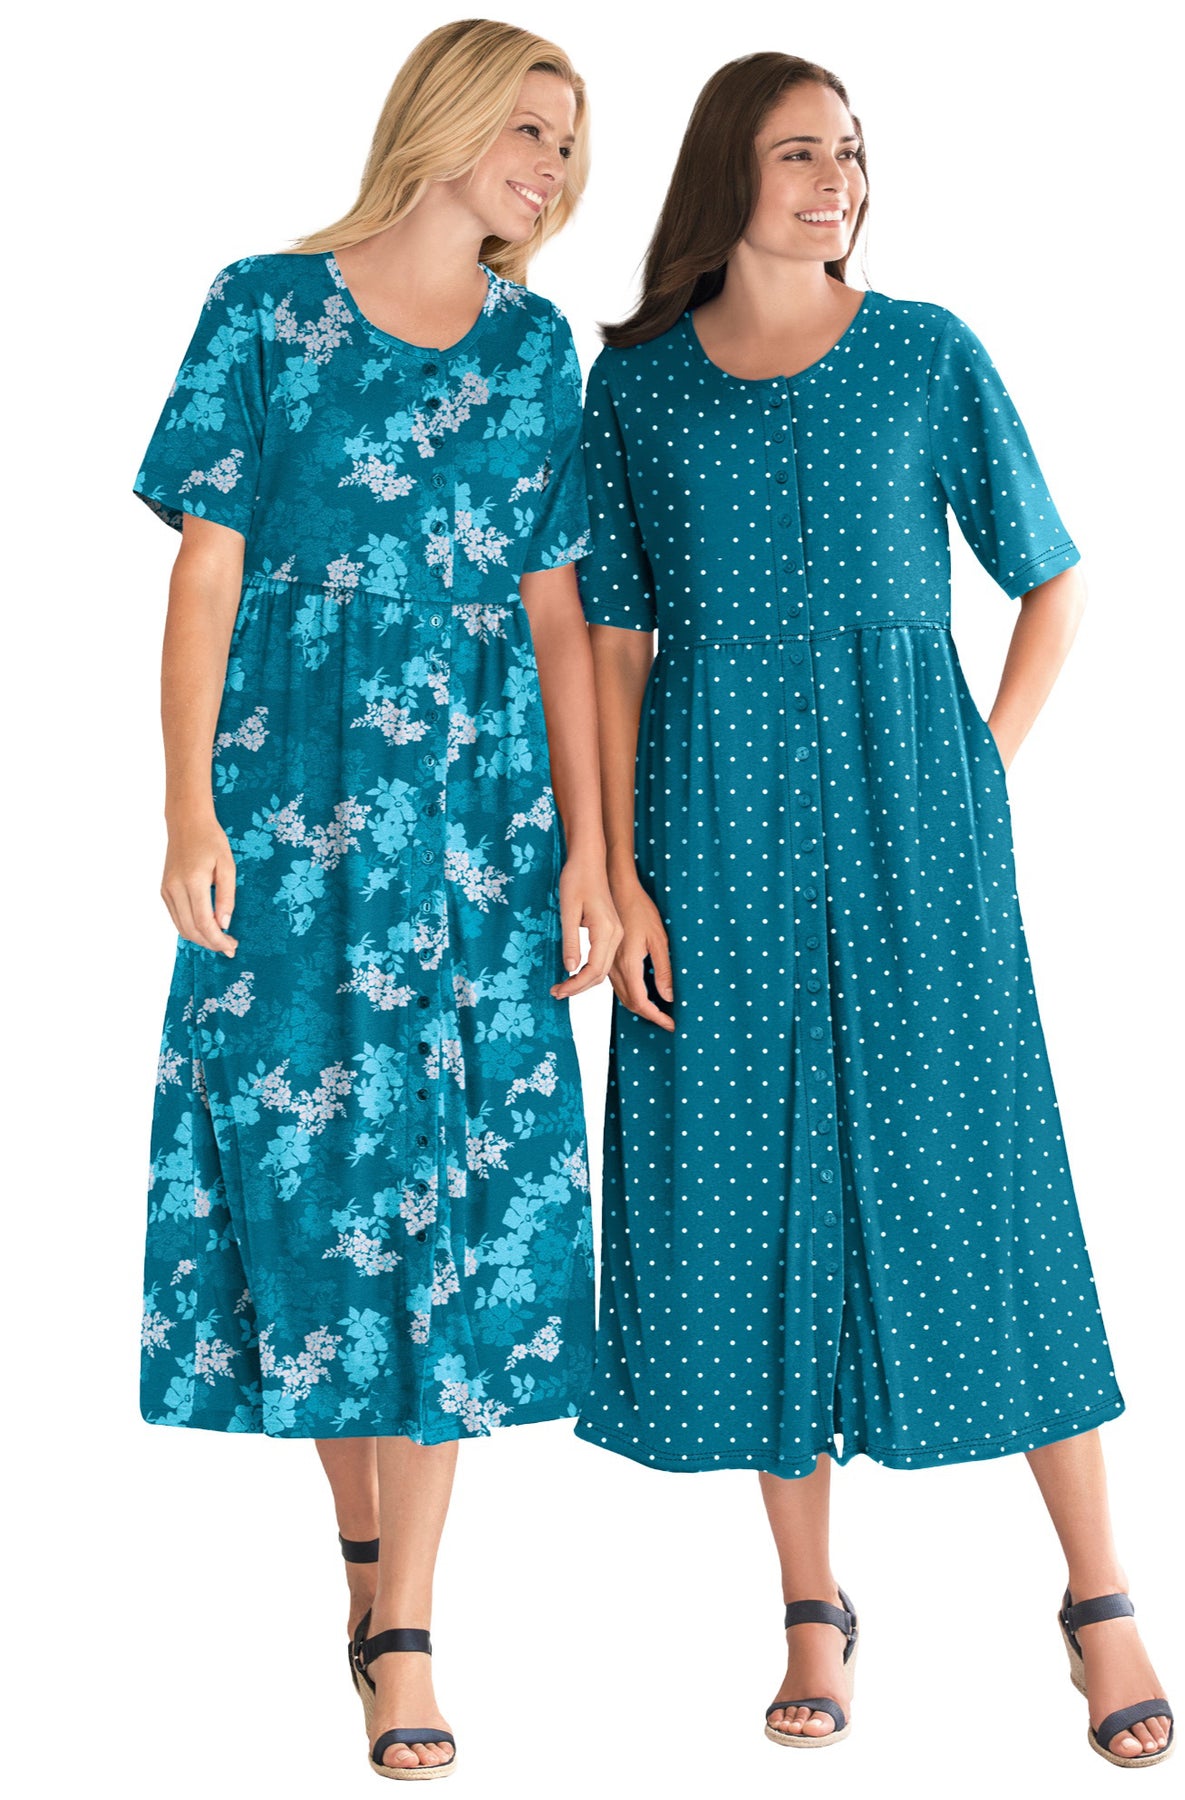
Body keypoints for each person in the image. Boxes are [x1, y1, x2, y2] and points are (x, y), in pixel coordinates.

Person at [572, 52, 1172, 1768]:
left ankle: (1102, 1596)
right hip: (711, 826)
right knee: (745, 1192)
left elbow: (1051, 577)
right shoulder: (637, 390)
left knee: (989, 1174)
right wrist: (619, 875)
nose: (834, 177)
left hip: (918, 818)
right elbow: (612, 643)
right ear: (726, 174)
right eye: (797, 152)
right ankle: (811, 1607)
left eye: (848, 149)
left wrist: (984, 763)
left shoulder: (925, 350)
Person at [133, 19, 618, 1780]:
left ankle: (404, 1627)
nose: (554, 166)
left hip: (483, 829)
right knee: (315, 1191)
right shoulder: (263, 306)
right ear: (445, 120)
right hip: (294, 812)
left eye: (569, 141)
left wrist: (592, 848)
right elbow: (207, 573)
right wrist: (186, 807)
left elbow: (559, 613)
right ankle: (362, 1567)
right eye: (531, 128)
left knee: (462, 1211)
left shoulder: (536, 346)